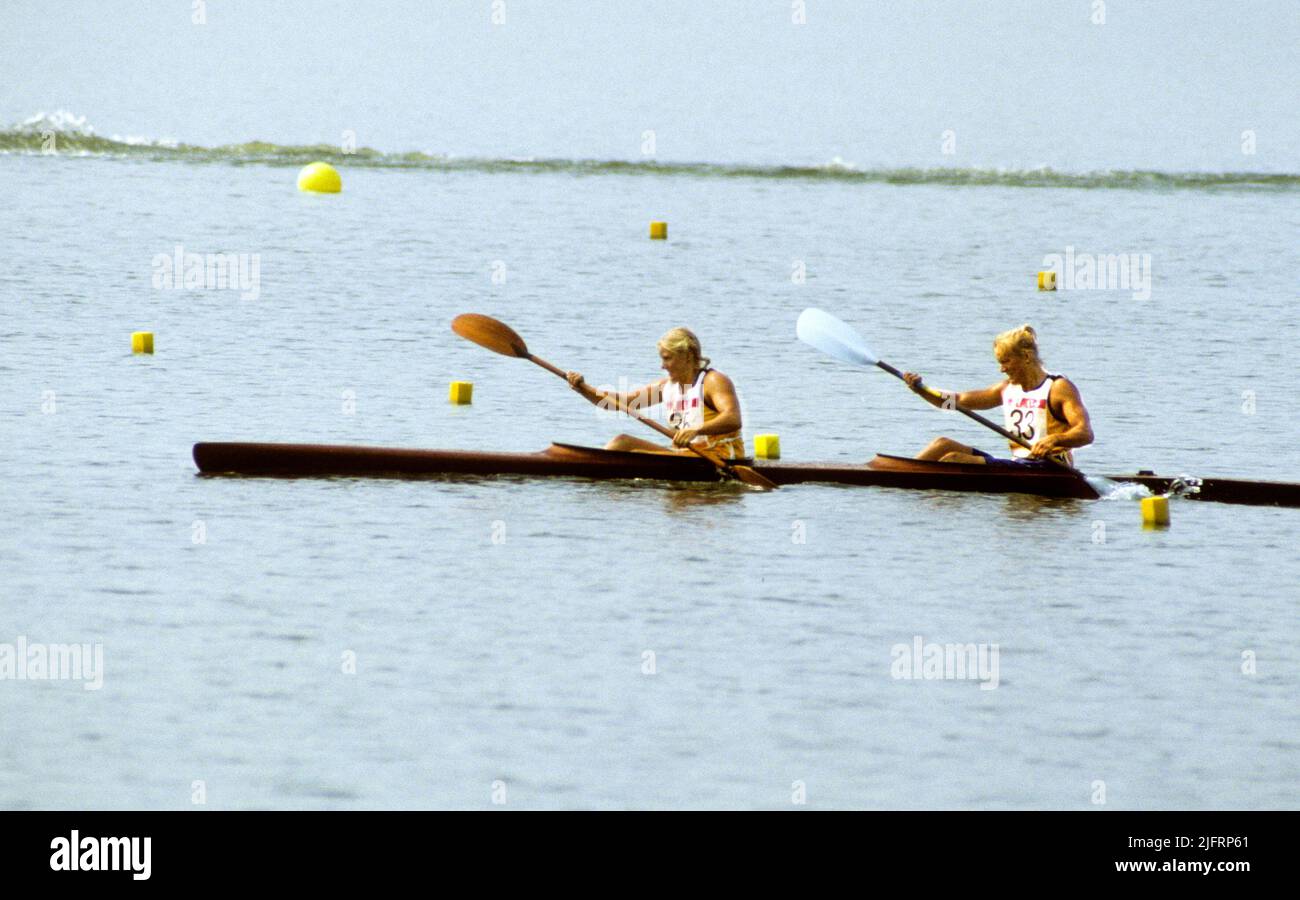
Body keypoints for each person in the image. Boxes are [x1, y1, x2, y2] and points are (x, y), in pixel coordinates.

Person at [901, 324, 1093, 466]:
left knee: (955, 460)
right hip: (1019, 464)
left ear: (1026, 357)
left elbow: (1085, 433)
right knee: (942, 445)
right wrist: (921, 389)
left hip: (1051, 467)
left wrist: (1055, 440)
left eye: (1006, 361)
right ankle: (900, 476)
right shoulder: (1006, 389)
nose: (1001, 369)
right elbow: (957, 401)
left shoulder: (1058, 387)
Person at [565, 327, 746, 459]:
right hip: (684, 456)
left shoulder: (713, 381)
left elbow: (733, 418)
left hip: (718, 457)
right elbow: (620, 402)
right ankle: (594, 469)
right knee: (623, 442)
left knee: (623, 445)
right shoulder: (666, 387)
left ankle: (592, 471)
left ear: (688, 356)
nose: (662, 365)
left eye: (667, 358)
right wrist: (583, 388)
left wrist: (696, 430)